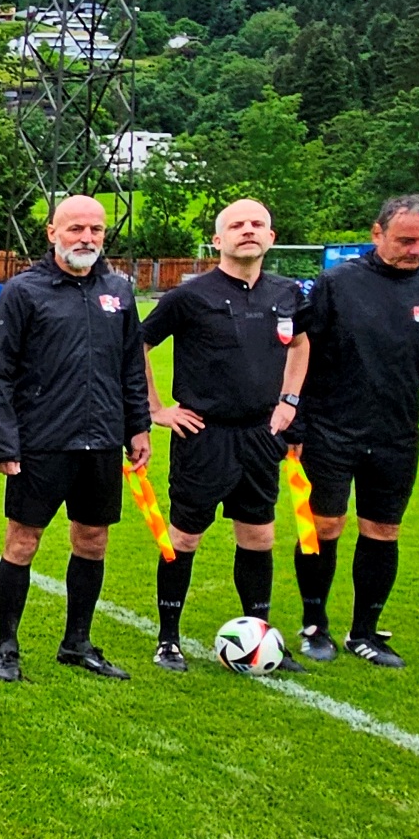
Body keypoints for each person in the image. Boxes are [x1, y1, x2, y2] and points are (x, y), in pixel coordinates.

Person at [292, 194, 419, 668]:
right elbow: (300, 355)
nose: (417, 250)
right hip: (330, 429)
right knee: (324, 526)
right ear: (377, 233)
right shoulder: (336, 284)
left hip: (396, 435)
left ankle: (365, 631)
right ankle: (314, 625)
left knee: (384, 530)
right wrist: (297, 424)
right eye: (406, 240)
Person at [0, 194, 151, 683]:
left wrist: (138, 426)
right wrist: (5, 444)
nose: (86, 238)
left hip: (102, 442)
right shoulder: (23, 291)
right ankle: (7, 646)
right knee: (23, 542)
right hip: (42, 443)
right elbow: (0, 375)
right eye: (76, 228)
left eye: (96, 229)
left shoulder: (118, 290)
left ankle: (76, 643)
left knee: (93, 541)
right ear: (52, 233)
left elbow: (131, 367)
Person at [139, 200, 308, 673]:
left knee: (258, 535)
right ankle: (168, 640)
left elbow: (301, 343)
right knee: (184, 537)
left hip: (261, 435)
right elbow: (137, 344)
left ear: (271, 237)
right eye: (237, 225)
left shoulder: (287, 293)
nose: (247, 230)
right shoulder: (190, 296)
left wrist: (289, 400)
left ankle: (262, 637)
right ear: (218, 240)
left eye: (257, 224)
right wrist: (156, 408)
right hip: (204, 435)